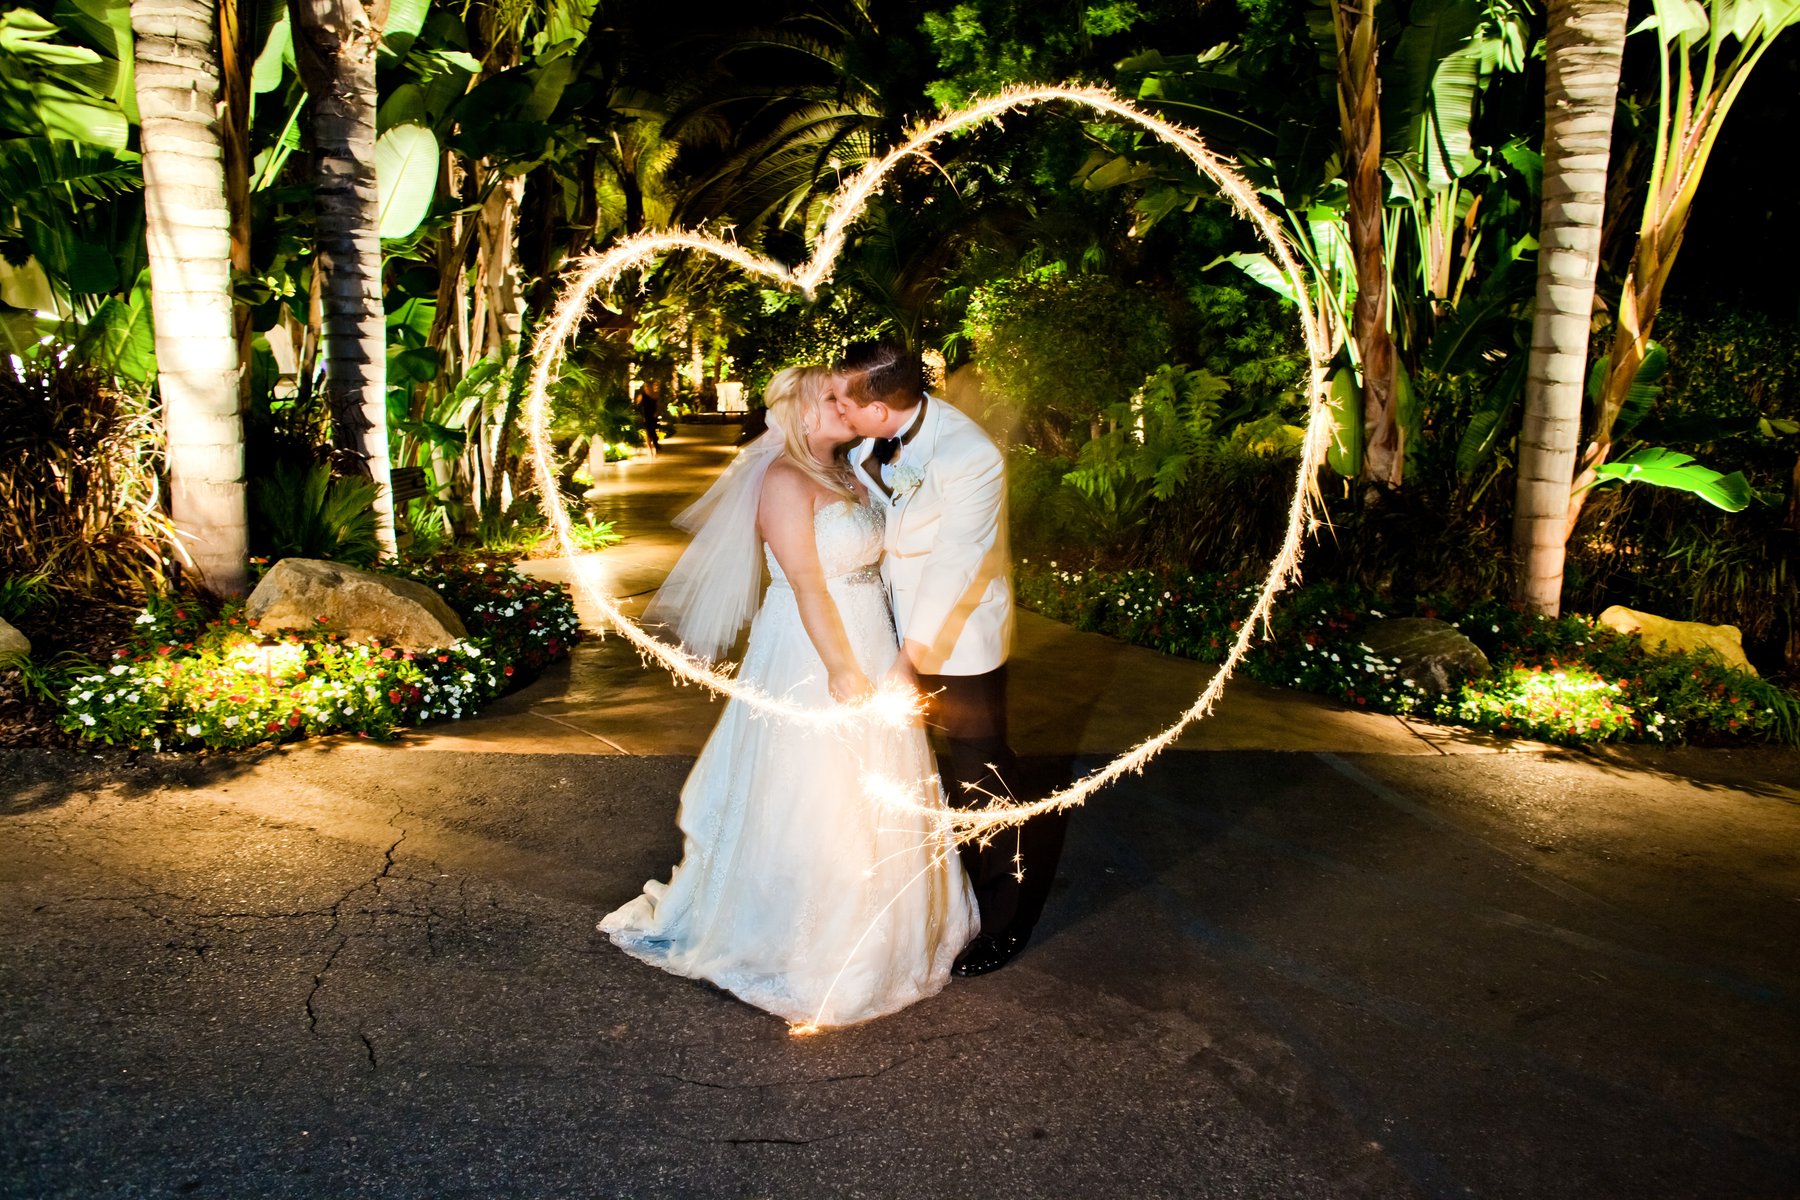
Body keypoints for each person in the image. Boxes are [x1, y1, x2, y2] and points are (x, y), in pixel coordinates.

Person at [599, 366, 977, 1029]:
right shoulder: (782, 479)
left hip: (871, 629)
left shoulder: (852, 469)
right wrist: (840, 668)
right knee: (817, 783)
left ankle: (893, 928)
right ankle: (807, 940)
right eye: (831, 398)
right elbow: (805, 582)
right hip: (811, 646)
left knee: (880, 776)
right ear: (800, 415)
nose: (846, 405)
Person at [832, 339, 1068, 977]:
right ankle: (934, 898)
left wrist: (910, 657)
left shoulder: (970, 454)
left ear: (879, 409)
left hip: (959, 641)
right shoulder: (867, 440)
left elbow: (955, 562)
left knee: (981, 775)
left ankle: (1004, 922)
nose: (837, 410)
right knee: (909, 767)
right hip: (886, 626)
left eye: (845, 402)